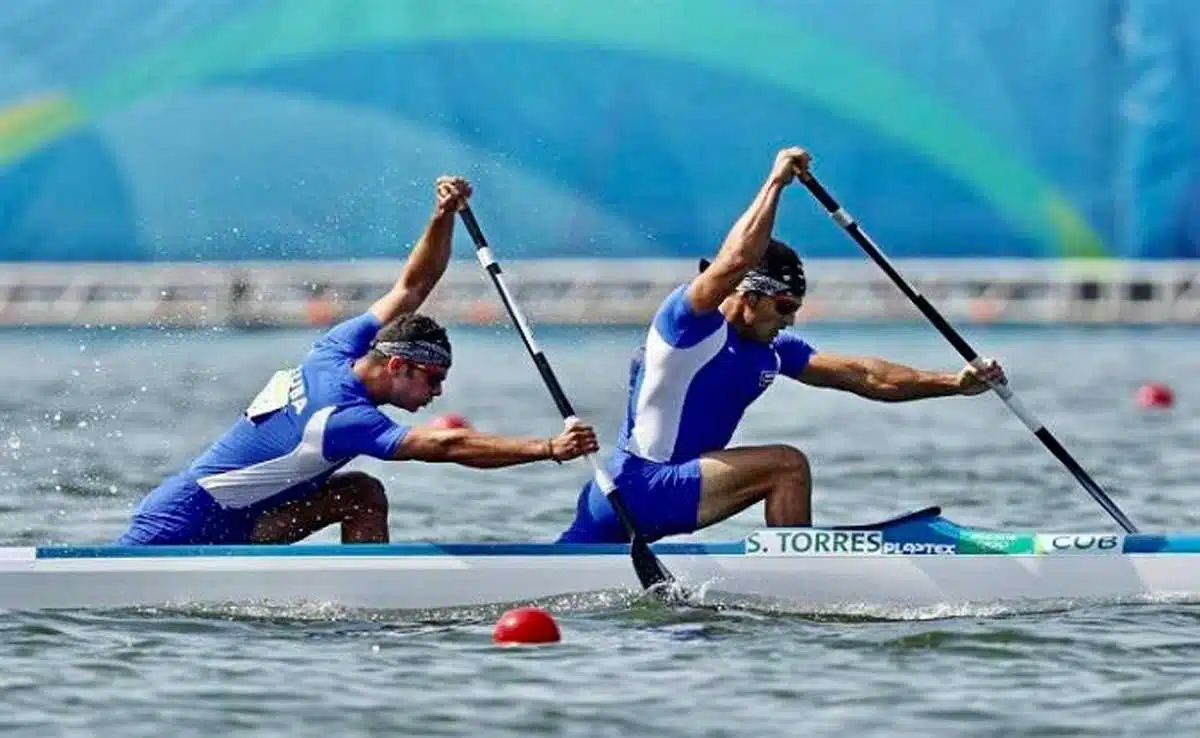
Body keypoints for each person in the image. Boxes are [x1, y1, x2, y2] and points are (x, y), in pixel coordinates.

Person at [557, 147, 1006, 544]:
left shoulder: (773, 349)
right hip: (640, 484)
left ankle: (791, 561)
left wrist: (953, 383)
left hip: (634, 493)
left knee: (561, 567)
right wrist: (776, 182)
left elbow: (866, 377)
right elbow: (736, 260)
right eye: (785, 305)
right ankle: (800, 573)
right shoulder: (688, 323)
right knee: (786, 466)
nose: (790, 319)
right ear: (749, 296)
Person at [120, 175, 599, 546]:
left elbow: (412, 287)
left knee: (361, 494)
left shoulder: (338, 347)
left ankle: (365, 608)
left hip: (243, 520)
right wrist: (548, 448)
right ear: (397, 366)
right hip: (182, 525)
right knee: (361, 491)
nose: (437, 393)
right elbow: (447, 446)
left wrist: (443, 216)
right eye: (432, 378)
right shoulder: (342, 416)